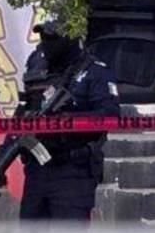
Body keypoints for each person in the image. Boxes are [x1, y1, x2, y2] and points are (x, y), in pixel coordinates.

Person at [17, 21, 120, 221]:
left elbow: (110, 117)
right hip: (37, 169)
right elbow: (22, 115)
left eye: (52, 38)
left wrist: (67, 121)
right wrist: (1, 160)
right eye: (43, 38)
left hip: (73, 171)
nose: (46, 43)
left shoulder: (94, 72)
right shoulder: (38, 69)